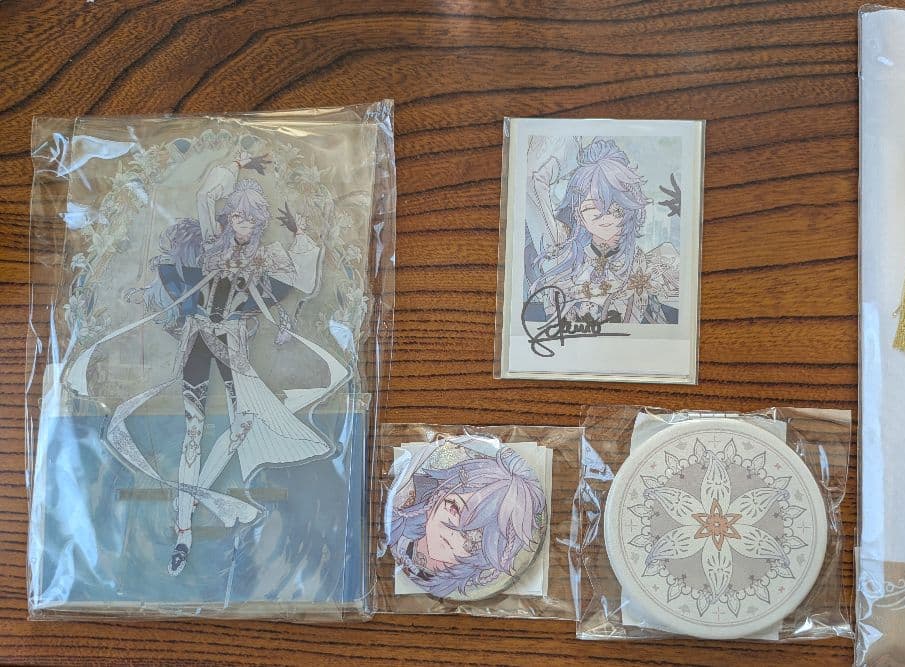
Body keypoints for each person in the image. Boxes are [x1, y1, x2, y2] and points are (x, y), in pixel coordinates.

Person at [66, 174, 348, 576]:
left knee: (242, 425)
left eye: (250, 219)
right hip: (198, 340)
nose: (242, 225)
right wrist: (232, 167)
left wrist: (301, 235)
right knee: (194, 431)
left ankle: (194, 495)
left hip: (234, 345)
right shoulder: (210, 246)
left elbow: (301, 282)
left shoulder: (266, 257)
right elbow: (197, 216)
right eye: (236, 217)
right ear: (228, 218)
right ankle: (183, 532)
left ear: (259, 223)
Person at [527, 139, 679, 324]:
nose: (604, 217)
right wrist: (572, 145)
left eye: (614, 208)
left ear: (630, 207)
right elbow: (532, 183)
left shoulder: (652, 266)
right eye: (591, 208)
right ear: (578, 214)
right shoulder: (564, 259)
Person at [387, 439, 547, 598]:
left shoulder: (474, 585)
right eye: (454, 508)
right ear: (437, 496)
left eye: (474, 534)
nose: (452, 531)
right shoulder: (401, 535)